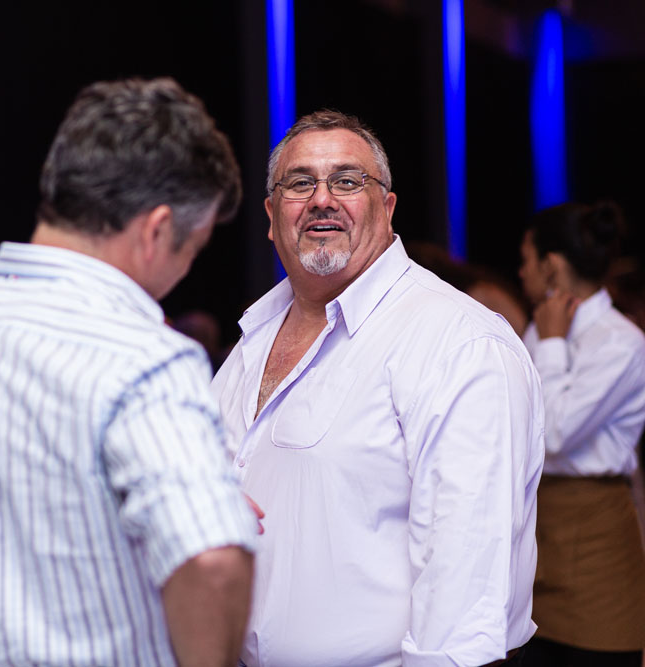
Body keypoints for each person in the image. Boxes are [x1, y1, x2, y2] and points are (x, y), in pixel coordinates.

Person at [0, 77, 258, 667]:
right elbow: (212, 561)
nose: (185, 269)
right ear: (157, 230)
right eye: (193, 248)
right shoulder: (145, 358)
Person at [211, 110, 544, 666]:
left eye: (347, 181)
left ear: (387, 208)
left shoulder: (457, 343)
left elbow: (461, 601)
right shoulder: (253, 337)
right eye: (300, 183)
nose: (322, 199)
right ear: (271, 216)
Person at [517, 201, 645, 666]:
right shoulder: (539, 327)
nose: (521, 272)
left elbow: (553, 434)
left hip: (595, 535)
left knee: (597, 654)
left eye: (526, 259)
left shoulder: (620, 341)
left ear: (551, 265)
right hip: (538, 527)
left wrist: (552, 341)